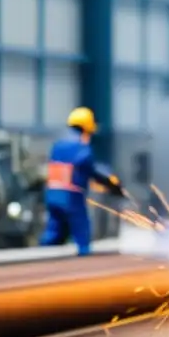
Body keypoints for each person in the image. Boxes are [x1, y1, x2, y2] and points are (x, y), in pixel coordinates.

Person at [40, 107, 124, 256]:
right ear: (87, 127)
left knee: (52, 235)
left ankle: (38, 263)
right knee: (82, 236)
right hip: (72, 199)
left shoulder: (57, 145)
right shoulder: (82, 147)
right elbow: (92, 171)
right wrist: (112, 183)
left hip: (51, 196)